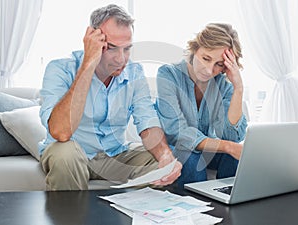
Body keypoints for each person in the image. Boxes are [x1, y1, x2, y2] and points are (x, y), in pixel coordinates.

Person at [39, 4, 182, 191]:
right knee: (65, 154)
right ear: (92, 40)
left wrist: (164, 156)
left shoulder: (134, 72)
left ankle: (132, 217)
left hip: (115, 154)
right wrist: (89, 63)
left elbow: (147, 121)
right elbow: (60, 132)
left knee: (165, 165)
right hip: (71, 154)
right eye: (112, 48)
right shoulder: (60, 69)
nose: (121, 59)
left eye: (127, 49)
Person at [155, 23, 247, 187]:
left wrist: (238, 88)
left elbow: (231, 136)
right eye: (206, 58)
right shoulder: (168, 74)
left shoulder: (223, 86)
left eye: (219, 64)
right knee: (191, 159)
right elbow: (178, 133)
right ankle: (196, 210)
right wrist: (228, 146)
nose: (209, 70)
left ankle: (228, 204)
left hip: (205, 149)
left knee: (234, 157)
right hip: (175, 148)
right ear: (194, 49)